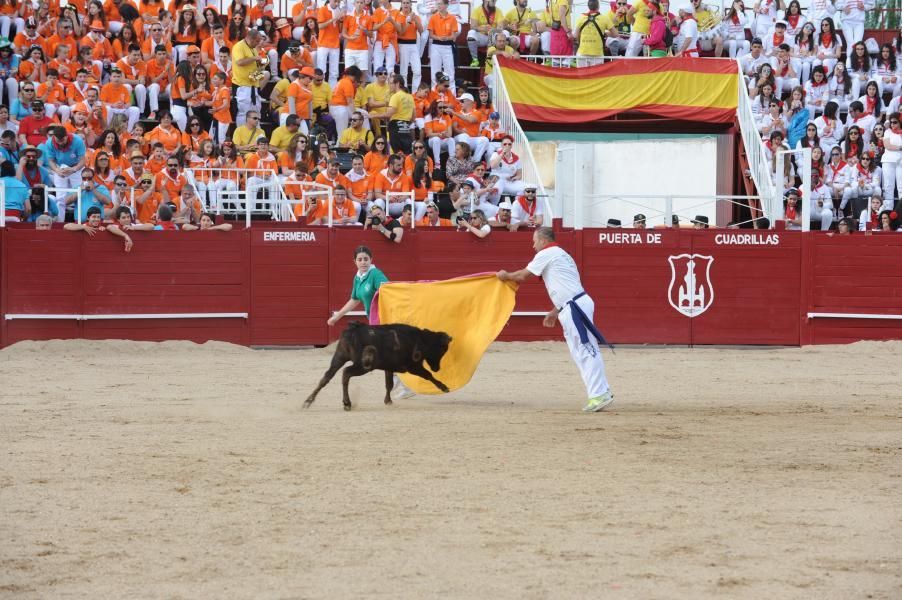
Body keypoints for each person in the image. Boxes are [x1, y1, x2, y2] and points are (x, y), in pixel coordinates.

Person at [497, 227, 614, 412]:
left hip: (574, 307)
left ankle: (599, 394)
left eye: (535, 241)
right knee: (580, 352)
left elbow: (522, 276)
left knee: (586, 350)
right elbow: (568, 288)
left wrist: (505, 276)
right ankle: (600, 392)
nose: (533, 245)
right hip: (572, 305)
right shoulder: (563, 255)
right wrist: (555, 311)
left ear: (543, 240)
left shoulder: (548, 252)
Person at [327, 245, 414, 400]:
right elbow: (355, 299)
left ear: (371, 260)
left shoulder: (375, 274)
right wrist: (337, 316)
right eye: (360, 259)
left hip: (385, 321)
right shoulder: (358, 277)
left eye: (366, 259)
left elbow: (389, 291)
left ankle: (403, 384)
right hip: (375, 322)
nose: (363, 262)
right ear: (354, 261)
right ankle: (401, 384)